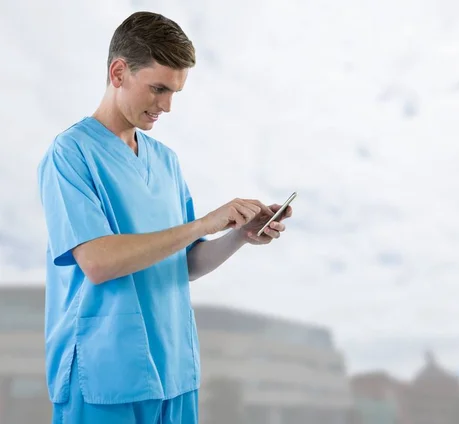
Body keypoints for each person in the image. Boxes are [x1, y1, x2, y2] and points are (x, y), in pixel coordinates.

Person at [37, 10, 292, 424]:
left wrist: (238, 236)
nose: (167, 106)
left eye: (174, 92)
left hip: (174, 373)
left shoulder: (166, 162)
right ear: (118, 73)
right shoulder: (71, 154)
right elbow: (98, 263)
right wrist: (205, 222)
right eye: (158, 89)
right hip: (104, 374)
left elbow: (185, 262)